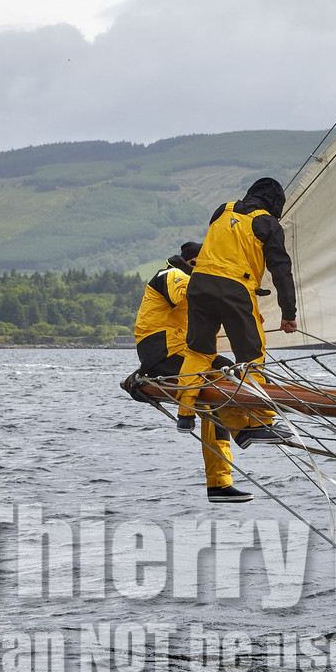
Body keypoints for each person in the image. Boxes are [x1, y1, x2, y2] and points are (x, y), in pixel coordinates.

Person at [177, 177, 298, 448]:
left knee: (198, 351)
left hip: (199, 285)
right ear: (275, 204)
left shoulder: (222, 209)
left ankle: (184, 415)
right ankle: (260, 422)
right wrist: (288, 312)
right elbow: (281, 270)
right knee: (250, 356)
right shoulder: (268, 223)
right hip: (234, 290)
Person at [134, 242, 253, 504]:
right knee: (223, 381)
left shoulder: (193, 279)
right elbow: (190, 294)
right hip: (164, 353)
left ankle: (220, 484)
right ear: (191, 263)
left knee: (231, 376)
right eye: (204, 264)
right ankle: (242, 429)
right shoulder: (171, 275)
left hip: (186, 354)